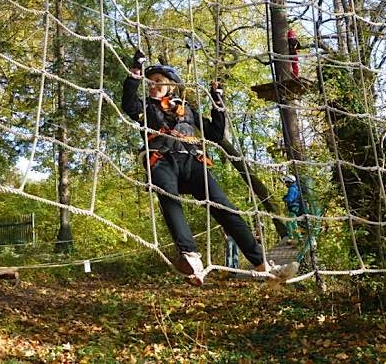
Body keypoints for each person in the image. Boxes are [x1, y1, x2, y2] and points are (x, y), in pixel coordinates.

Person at [122, 49, 299, 286]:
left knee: (226, 208)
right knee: (169, 199)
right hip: (161, 160)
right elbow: (128, 104)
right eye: (150, 82)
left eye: (158, 82)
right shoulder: (146, 107)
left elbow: (214, 133)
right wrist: (135, 72)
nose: (153, 86)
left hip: (191, 161)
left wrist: (218, 102)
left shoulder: (188, 111)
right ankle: (190, 256)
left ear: (171, 86)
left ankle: (262, 265)